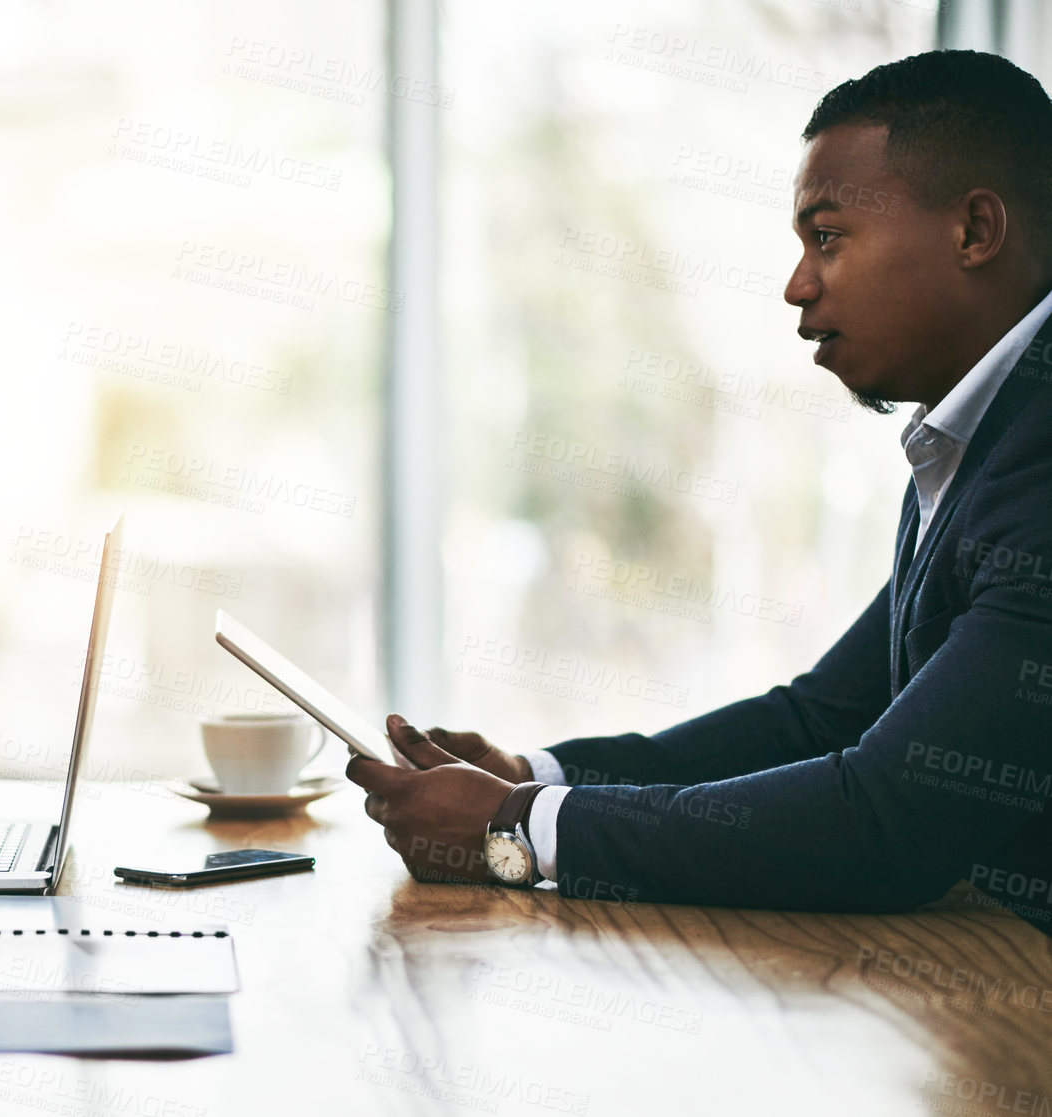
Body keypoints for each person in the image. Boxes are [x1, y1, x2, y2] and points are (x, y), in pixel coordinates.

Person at [350, 49, 1052, 936]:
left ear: (973, 230)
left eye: (826, 236)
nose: (797, 285)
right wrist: (532, 775)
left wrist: (512, 830)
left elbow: (889, 821)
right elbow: (823, 715)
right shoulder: (982, 433)